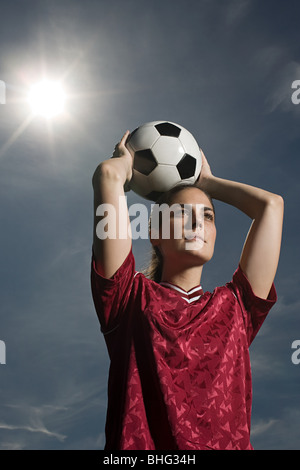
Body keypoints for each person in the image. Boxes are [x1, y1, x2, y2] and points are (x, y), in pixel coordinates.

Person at [91, 130, 284, 450]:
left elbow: (270, 206)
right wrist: (118, 167)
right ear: (154, 230)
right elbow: (107, 176)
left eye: (207, 216)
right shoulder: (127, 297)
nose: (197, 222)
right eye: (182, 213)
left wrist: (206, 182)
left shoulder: (237, 306)